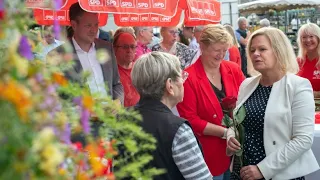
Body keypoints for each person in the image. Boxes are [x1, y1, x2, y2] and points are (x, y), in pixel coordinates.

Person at [227, 27, 319, 180]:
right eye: (252, 49)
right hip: (243, 170)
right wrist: (230, 136)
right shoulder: (247, 85)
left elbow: (303, 139)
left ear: (279, 51)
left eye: (262, 49)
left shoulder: (298, 86)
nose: (255, 54)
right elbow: (235, 123)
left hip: (278, 173)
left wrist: (263, 169)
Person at [177, 24, 245, 180]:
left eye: (224, 50)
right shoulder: (189, 78)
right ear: (202, 47)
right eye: (216, 50)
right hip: (210, 153)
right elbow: (191, 120)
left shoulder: (233, 69)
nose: (221, 55)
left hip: (238, 151)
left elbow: (246, 99)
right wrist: (225, 133)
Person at [132, 52, 212, 180]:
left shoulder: (121, 119)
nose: (184, 81)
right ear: (170, 85)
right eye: (182, 76)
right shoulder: (178, 130)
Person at [113, 28, 140, 107]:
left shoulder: (140, 68)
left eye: (132, 46)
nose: (129, 50)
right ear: (114, 48)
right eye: (125, 47)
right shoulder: (110, 72)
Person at [296, 23, 320, 98]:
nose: (308, 40)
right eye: (304, 37)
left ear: (318, 38)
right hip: (301, 105)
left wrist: (315, 94)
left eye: (311, 36)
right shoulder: (298, 61)